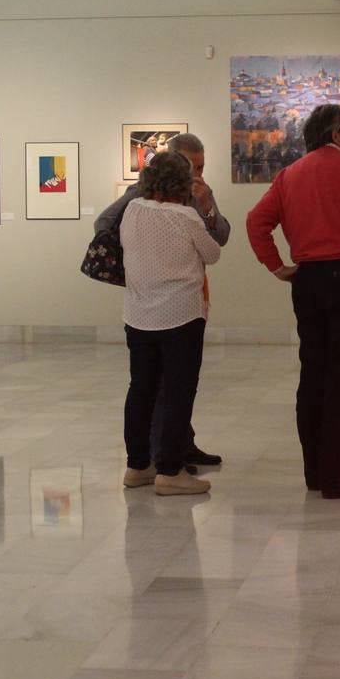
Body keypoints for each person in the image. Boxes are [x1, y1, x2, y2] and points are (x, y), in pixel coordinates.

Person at [246, 104, 340, 499]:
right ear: (335, 134)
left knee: (312, 376)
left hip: (309, 281)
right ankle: (334, 477)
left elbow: (255, 222)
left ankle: (315, 471)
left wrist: (277, 265)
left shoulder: (288, 175)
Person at [96, 133, 229, 467]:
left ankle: (170, 449)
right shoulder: (139, 200)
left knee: (151, 386)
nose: (197, 175)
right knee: (168, 388)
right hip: (173, 307)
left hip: (155, 306)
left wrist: (208, 204)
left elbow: (222, 233)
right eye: (192, 168)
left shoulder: (195, 197)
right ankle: (164, 458)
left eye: (201, 167)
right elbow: (213, 250)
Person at [119, 151, 220, 495]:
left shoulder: (132, 210)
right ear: (184, 182)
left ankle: (137, 466)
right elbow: (213, 253)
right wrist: (204, 210)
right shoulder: (186, 217)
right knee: (178, 392)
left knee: (141, 390)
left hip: (138, 315)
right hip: (181, 315)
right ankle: (170, 471)